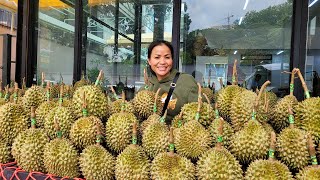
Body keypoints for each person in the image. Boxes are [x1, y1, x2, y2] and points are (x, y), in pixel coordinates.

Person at [143, 40, 199, 124]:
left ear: (172, 60)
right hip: (152, 134)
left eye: (167, 57)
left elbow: (199, 112)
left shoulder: (186, 81)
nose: (162, 62)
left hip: (179, 134)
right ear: (149, 61)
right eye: (157, 57)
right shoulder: (145, 88)